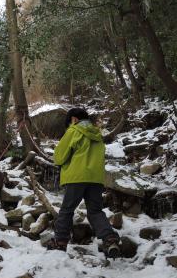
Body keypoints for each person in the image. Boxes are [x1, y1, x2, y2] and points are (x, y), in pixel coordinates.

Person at [46, 107, 121, 258]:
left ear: (74, 119)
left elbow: (59, 158)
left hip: (76, 177)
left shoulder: (73, 131)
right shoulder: (97, 135)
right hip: (95, 179)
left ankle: (60, 242)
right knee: (95, 211)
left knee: (67, 210)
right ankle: (109, 239)